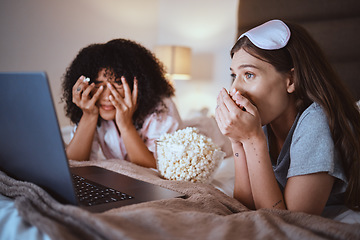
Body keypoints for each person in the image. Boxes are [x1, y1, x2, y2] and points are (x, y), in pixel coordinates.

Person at [215, 19, 360, 217]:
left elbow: (291, 223)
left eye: (249, 74)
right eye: (234, 76)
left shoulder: (316, 121)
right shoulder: (264, 120)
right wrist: (238, 141)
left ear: (291, 80)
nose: (235, 89)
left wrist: (252, 139)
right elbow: (245, 208)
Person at [62, 38, 182, 168]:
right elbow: (72, 165)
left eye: (118, 84)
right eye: (98, 85)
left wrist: (126, 125)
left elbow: (157, 168)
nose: (107, 96)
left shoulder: (162, 111)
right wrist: (89, 116)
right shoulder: (92, 105)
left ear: (138, 84)